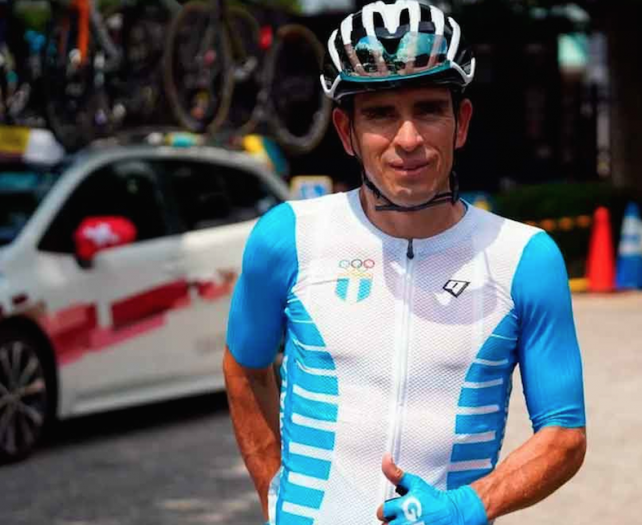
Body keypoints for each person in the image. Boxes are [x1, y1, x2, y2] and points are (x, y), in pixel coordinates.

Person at [223, 2, 587, 523]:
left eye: (429, 109)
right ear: (346, 131)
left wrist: (467, 506)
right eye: (380, 114)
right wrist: (276, 498)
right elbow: (243, 368)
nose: (408, 138)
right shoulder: (288, 238)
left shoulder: (524, 258)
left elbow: (564, 435)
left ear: (461, 123)